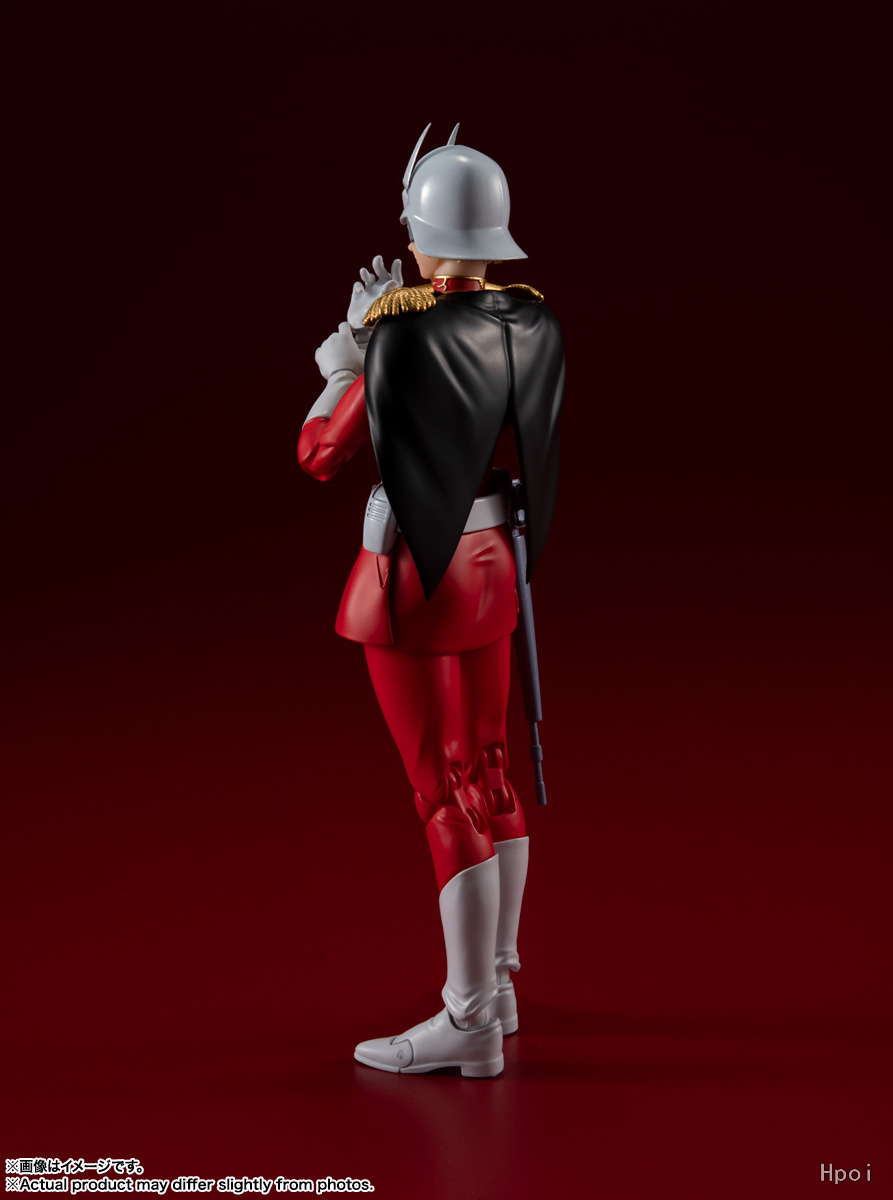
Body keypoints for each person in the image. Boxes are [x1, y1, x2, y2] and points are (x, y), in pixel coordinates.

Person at [298, 124, 564, 1077]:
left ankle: (468, 1017)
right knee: (490, 770)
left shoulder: (400, 336)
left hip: (416, 572)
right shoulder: (531, 321)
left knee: (443, 789)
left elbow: (319, 454)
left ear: (421, 233)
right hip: (493, 561)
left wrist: (349, 355)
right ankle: (498, 983)